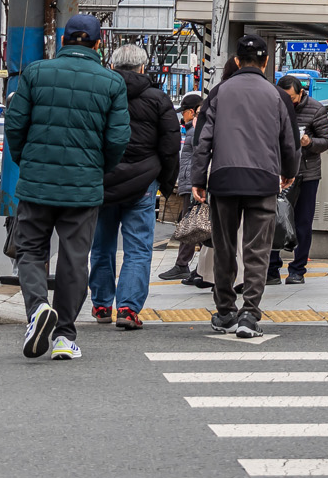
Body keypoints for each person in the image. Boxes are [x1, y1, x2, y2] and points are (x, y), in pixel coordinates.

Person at [6, 13, 129, 361]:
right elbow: (118, 138)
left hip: (36, 184)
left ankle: (38, 310)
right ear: (98, 43)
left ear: (63, 41)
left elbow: (15, 126)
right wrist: (97, 168)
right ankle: (64, 335)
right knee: (75, 259)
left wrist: (25, 161)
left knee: (30, 250)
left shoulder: (35, 73)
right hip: (84, 185)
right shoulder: (111, 82)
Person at [189, 34, 299, 338]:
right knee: (257, 250)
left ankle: (225, 312)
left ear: (237, 61)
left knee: (224, 248)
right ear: (265, 62)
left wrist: (198, 179)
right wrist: (289, 171)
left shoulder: (218, 93)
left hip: (224, 180)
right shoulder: (277, 96)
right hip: (263, 180)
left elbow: (203, 141)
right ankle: (249, 314)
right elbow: (288, 141)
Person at [88, 43, 179, 330]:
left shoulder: (98, 95)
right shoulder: (158, 98)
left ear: (112, 66)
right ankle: (128, 309)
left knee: (101, 246)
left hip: (102, 183)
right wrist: (165, 184)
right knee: (138, 249)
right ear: (143, 68)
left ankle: (102, 304)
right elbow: (170, 146)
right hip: (143, 184)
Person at [269, 74, 328, 285]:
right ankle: (271, 268)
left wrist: (308, 142)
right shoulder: (272, 106)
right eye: (284, 97)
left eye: (292, 98)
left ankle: (298, 270)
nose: (289, 102)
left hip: (307, 174)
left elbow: (325, 141)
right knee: (274, 221)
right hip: (277, 173)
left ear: (301, 93)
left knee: (303, 223)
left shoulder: (315, 109)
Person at [158, 92, 212, 287]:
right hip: (191, 183)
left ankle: (184, 265)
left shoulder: (195, 130)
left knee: (192, 224)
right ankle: (194, 267)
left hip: (193, 185)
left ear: (192, 111)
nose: (183, 117)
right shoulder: (192, 130)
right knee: (193, 223)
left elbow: (198, 158)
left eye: (185, 113)